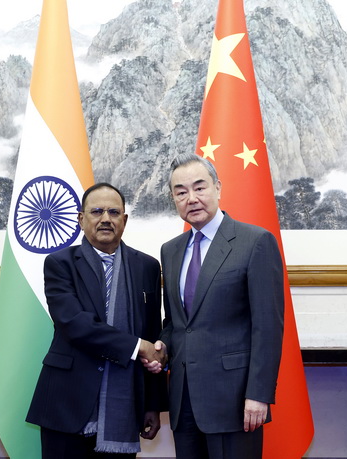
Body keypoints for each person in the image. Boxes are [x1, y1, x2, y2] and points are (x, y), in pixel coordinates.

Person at [144, 153, 284, 459]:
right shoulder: (171, 251)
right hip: (184, 400)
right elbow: (177, 324)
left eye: (199, 187)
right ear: (173, 199)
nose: (191, 198)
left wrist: (258, 395)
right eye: (181, 192)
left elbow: (268, 327)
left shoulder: (255, 241)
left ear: (218, 187)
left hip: (234, 401)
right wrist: (162, 347)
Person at [27, 182, 167, 459]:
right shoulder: (60, 263)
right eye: (97, 211)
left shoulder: (147, 267)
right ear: (81, 219)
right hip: (67, 403)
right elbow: (76, 325)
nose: (106, 219)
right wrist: (138, 346)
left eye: (114, 212)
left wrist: (153, 404)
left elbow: (154, 332)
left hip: (125, 408)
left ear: (124, 220)